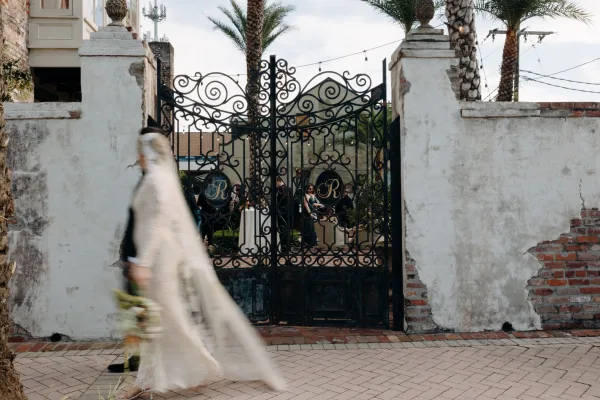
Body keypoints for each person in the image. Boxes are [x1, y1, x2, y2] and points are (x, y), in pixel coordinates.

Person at [118, 129, 285, 399]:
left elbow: (157, 225)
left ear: (148, 153)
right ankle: (148, 379)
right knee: (156, 322)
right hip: (155, 261)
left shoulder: (157, 181)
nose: (137, 157)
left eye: (140, 151)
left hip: (159, 263)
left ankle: (201, 367)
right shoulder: (156, 178)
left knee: (169, 321)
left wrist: (142, 262)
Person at [302, 183, 323, 249]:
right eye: (309, 189)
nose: (311, 190)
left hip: (314, 212)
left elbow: (318, 204)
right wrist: (310, 213)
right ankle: (308, 243)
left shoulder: (313, 195)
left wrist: (317, 205)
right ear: (307, 189)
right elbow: (306, 205)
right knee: (309, 227)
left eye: (312, 188)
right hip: (308, 213)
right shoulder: (306, 195)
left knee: (313, 227)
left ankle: (313, 242)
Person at [275, 177, 292, 252]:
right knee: (284, 230)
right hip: (285, 212)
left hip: (283, 212)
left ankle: (285, 247)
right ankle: (285, 246)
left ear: (279, 182)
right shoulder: (285, 188)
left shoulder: (282, 189)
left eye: (276, 183)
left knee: (283, 230)